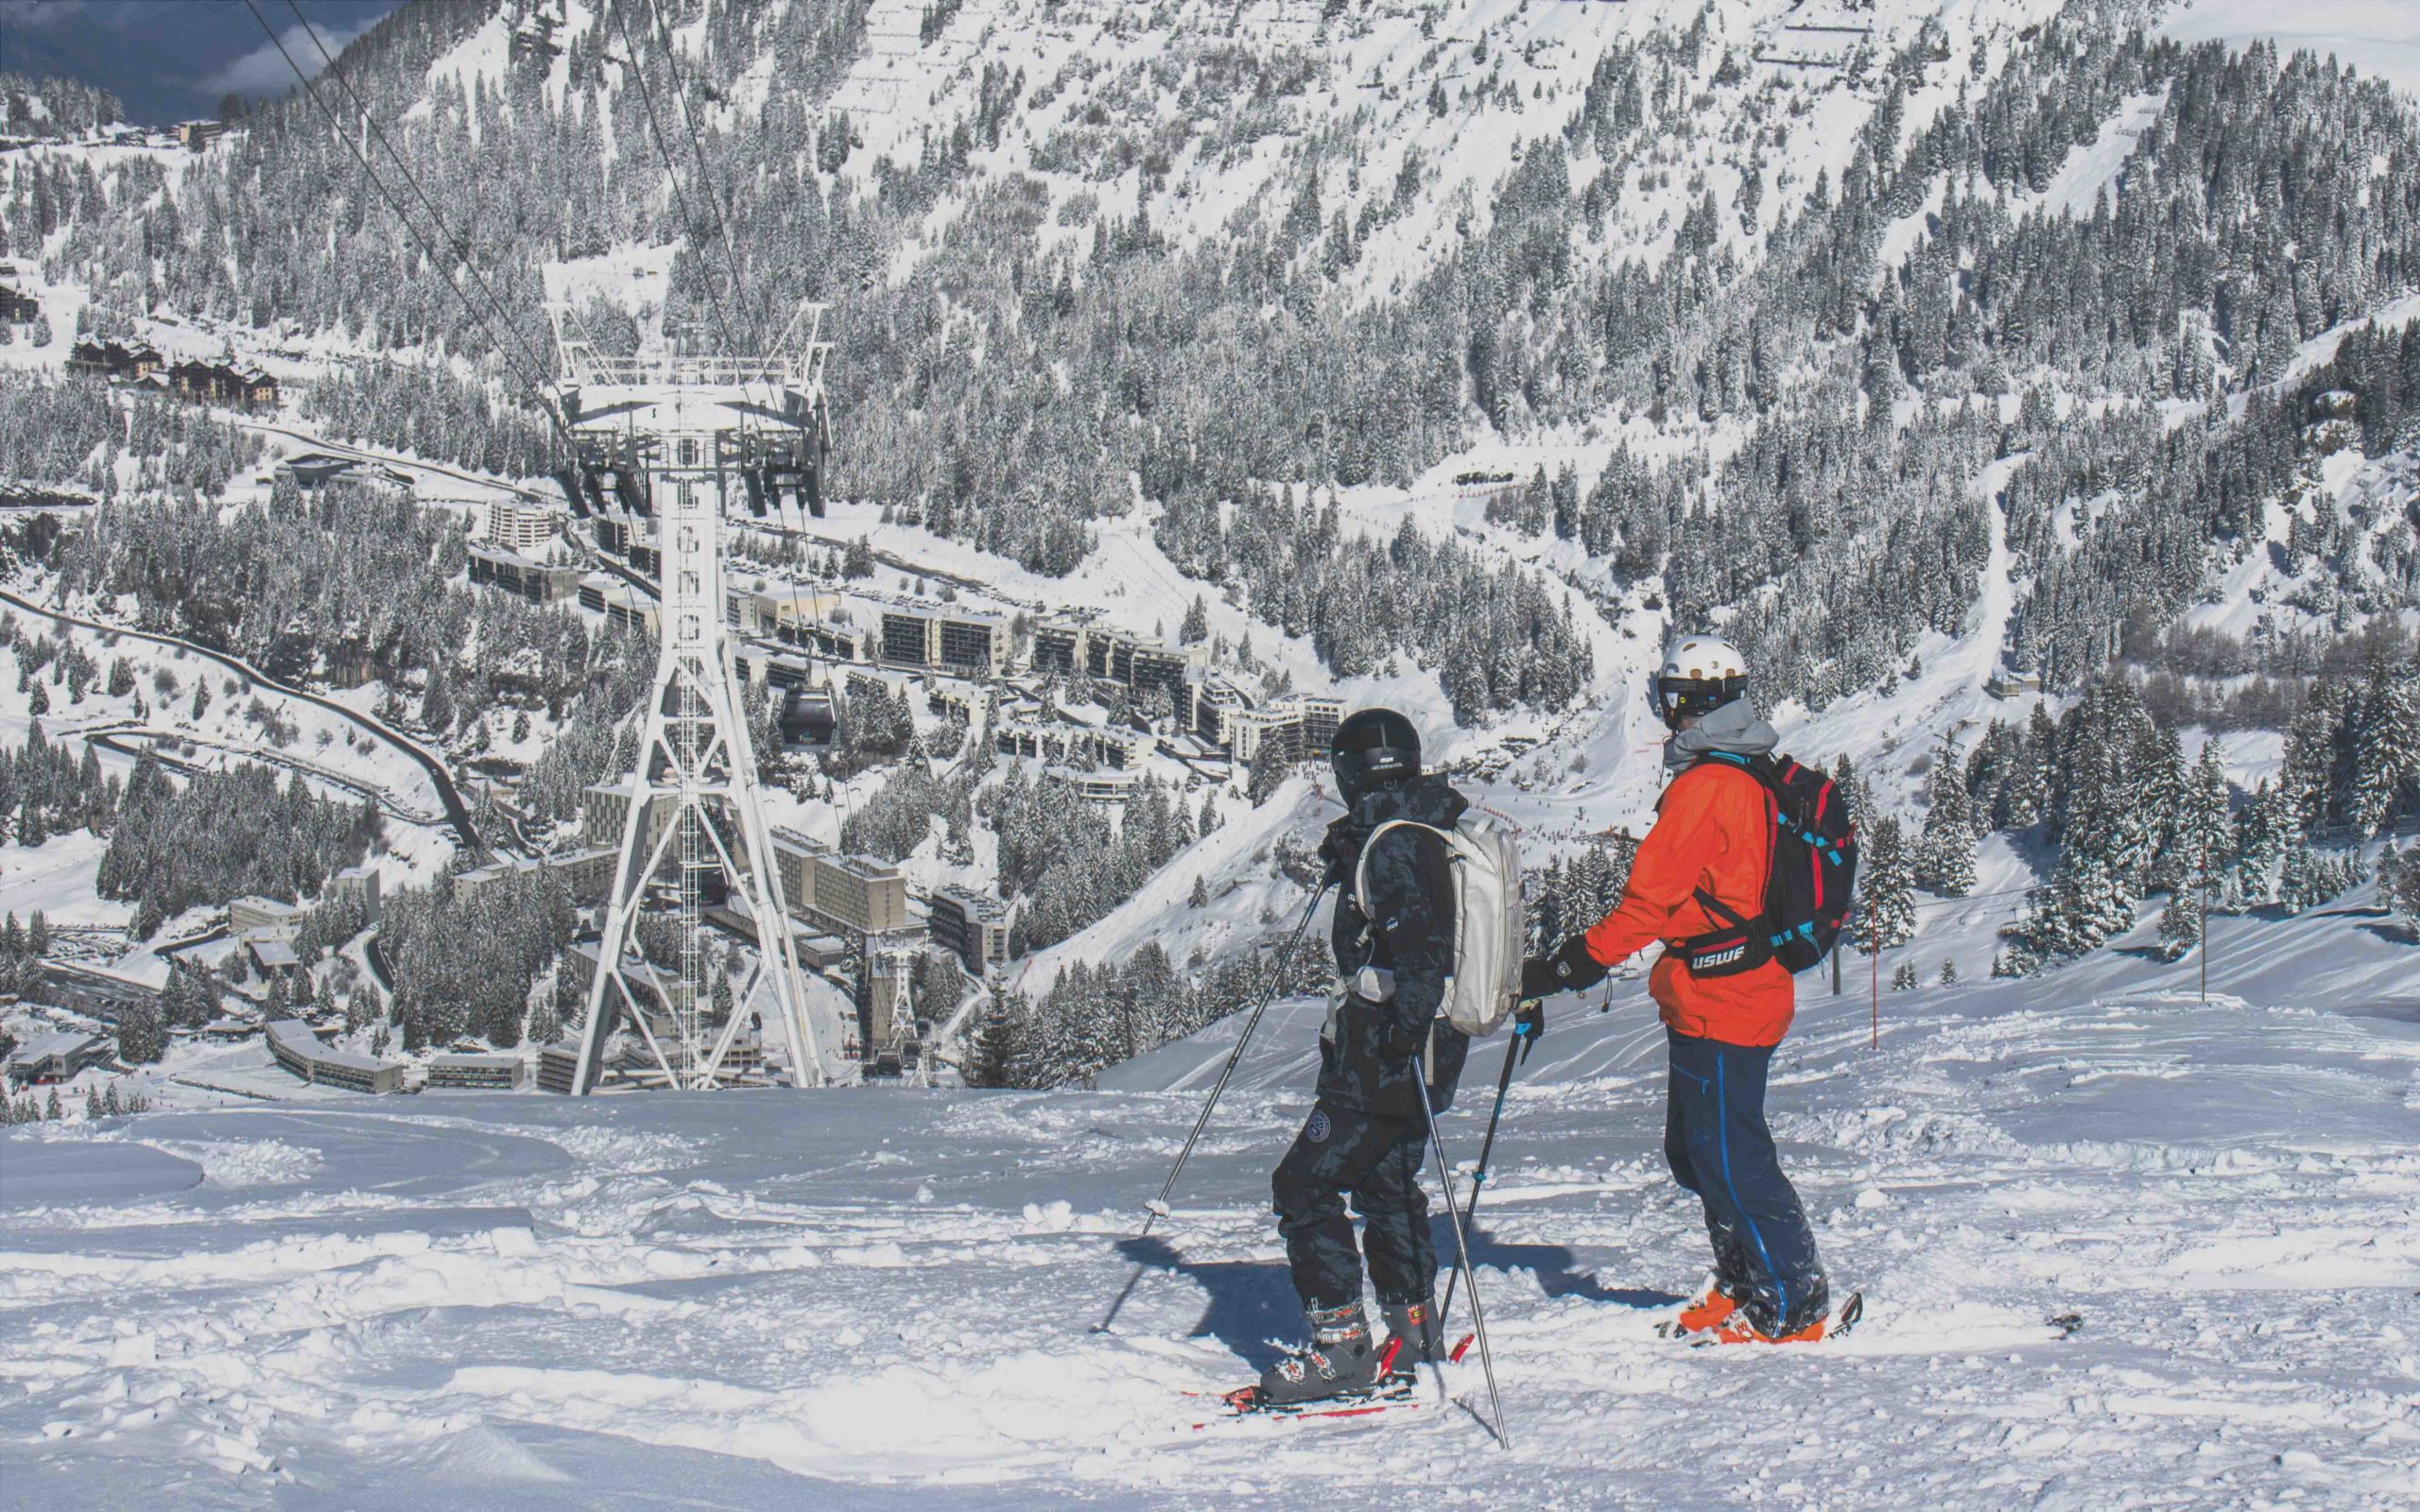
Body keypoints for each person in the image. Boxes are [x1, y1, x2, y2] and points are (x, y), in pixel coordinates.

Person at [1522, 633, 1833, 1344]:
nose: (1667, 715)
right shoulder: (1743, 770)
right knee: (1697, 1154)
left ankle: (1792, 1305)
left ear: (1689, 704)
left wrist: (1574, 963)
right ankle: (1747, 1278)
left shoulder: (1708, 787)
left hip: (1728, 996)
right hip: (1712, 991)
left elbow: (1648, 904)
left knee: (1731, 1157)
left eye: (1671, 701)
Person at [1259, 707, 1473, 1404]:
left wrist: (1399, 1034)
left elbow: (1423, 952)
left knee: (1305, 1184)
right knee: (1385, 1184)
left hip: (1388, 1052)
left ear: (1349, 774)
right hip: (1421, 1047)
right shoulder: (1421, 826)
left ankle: (1340, 1347)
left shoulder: (1393, 845)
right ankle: (1414, 1328)